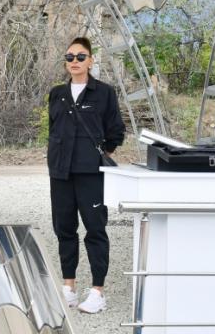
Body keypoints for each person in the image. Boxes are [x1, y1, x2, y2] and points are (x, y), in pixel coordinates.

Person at [47, 37, 125, 313]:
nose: (75, 62)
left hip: (91, 172)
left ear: (91, 61)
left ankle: (97, 292)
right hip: (60, 172)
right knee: (64, 229)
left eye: (81, 57)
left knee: (95, 229)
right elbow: (53, 129)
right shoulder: (57, 93)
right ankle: (69, 287)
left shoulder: (104, 92)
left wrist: (99, 153)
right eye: (70, 57)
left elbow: (116, 131)